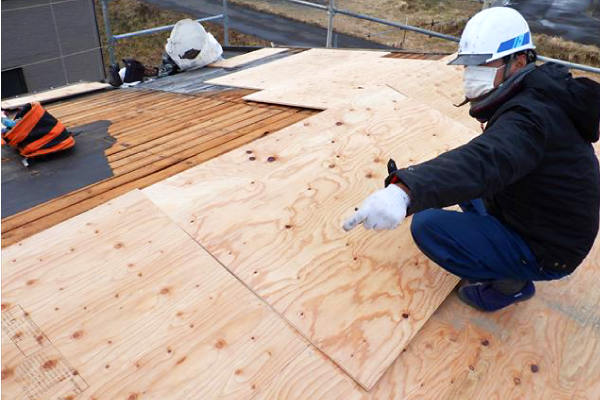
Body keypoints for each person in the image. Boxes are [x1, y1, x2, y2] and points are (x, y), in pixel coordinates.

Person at [343, 7, 600, 312]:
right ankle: (499, 242)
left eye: (482, 63)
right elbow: (488, 160)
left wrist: (406, 190)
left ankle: (511, 283)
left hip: (549, 248)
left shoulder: (533, 117)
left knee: (429, 226)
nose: (471, 73)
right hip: (543, 215)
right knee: (466, 187)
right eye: (468, 64)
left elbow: (487, 159)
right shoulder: (539, 93)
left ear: (518, 61)